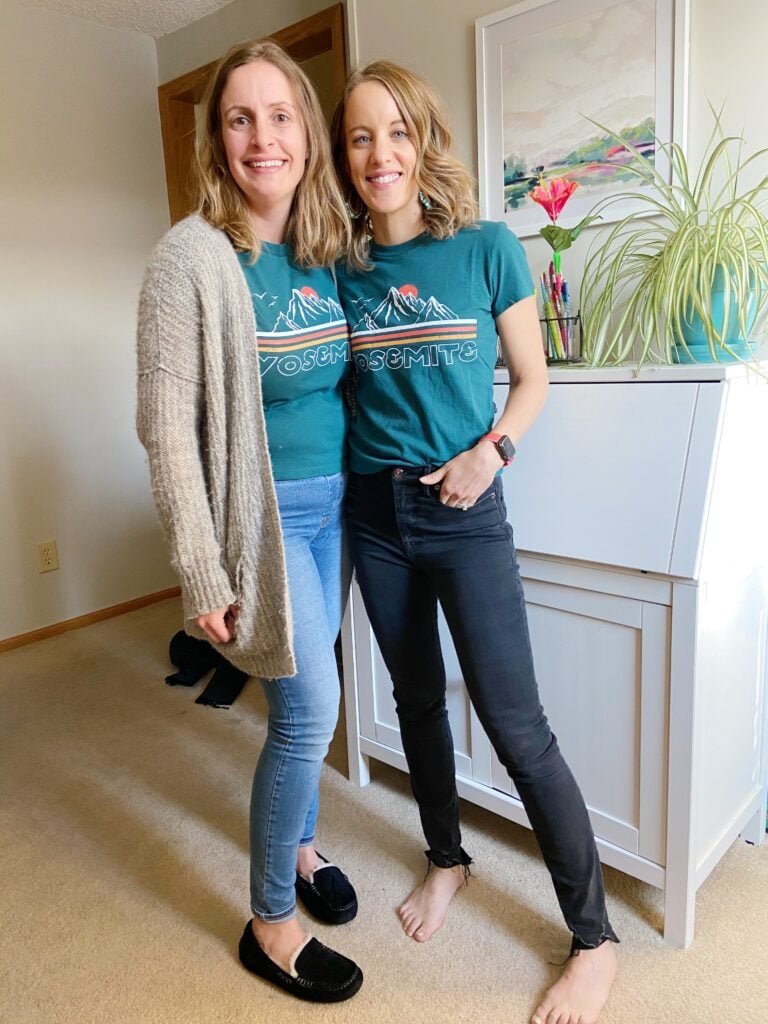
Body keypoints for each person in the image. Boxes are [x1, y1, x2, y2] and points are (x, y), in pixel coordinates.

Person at [330, 61, 618, 1024]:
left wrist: (489, 455)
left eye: (396, 133)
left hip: (465, 512)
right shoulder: (340, 270)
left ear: (424, 141)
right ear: (346, 155)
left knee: (516, 725)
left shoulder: (489, 247)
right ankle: (446, 860)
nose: (381, 155)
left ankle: (595, 939)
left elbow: (533, 382)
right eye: (361, 137)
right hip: (374, 514)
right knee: (415, 699)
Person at [136, 39, 362, 1004]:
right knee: (312, 708)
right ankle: (270, 920)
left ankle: (304, 847)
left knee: (306, 705)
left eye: (280, 116)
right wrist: (202, 570)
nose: (262, 137)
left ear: (307, 132)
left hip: (338, 510)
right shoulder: (189, 256)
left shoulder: (326, 247)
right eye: (240, 118)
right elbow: (165, 425)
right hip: (261, 524)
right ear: (216, 136)